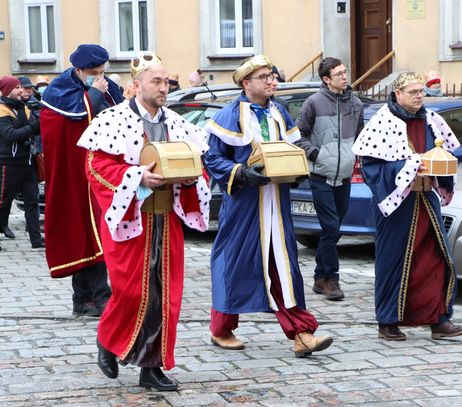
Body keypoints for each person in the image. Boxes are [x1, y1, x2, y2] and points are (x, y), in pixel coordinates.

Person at [77, 52, 210, 391]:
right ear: (136, 86)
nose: (164, 87)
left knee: (165, 295)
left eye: (166, 81)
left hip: (167, 218)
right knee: (131, 291)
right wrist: (136, 179)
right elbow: (96, 168)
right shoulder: (112, 120)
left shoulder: (177, 123)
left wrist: (190, 176)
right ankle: (108, 340)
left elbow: (198, 163)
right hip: (132, 218)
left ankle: (152, 368)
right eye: (157, 81)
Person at [203, 55, 333, 357]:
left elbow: (293, 147)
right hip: (244, 206)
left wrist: (297, 170)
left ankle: (302, 332)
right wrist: (241, 173)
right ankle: (221, 327)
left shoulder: (280, 112)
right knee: (233, 264)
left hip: (277, 204)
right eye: (264, 77)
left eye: (272, 75)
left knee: (283, 266)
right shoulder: (228, 116)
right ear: (246, 83)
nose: (272, 81)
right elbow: (212, 158)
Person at [352, 72, 462, 341]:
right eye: (413, 91)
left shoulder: (431, 120)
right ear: (398, 94)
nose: (419, 96)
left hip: (426, 198)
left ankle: (439, 318)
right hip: (396, 203)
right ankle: (388, 321)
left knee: (435, 257)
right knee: (393, 260)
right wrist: (410, 166)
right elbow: (372, 169)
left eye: (421, 91)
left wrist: (439, 166)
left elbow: (445, 154)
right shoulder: (382, 123)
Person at [40, 44, 123, 317]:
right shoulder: (59, 90)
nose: (99, 76)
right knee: (83, 231)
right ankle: (95, 297)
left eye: (101, 72)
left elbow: (118, 115)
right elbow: (75, 120)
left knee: (95, 232)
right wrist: (94, 94)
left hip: (101, 169)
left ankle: (88, 299)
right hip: (73, 172)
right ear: (78, 70)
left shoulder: (103, 84)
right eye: (92, 72)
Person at [295, 57, 364, 301]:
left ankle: (320, 277)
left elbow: (359, 136)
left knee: (333, 230)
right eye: (339, 74)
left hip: (344, 176)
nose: (345, 77)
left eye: (345, 72)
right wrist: (317, 154)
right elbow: (298, 135)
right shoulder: (314, 102)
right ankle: (331, 279)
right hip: (320, 175)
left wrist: (354, 157)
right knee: (331, 227)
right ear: (326, 79)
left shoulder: (355, 103)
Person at [0, 76, 44, 249]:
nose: (21, 90)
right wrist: (34, 126)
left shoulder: (24, 108)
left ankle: (36, 239)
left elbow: (34, 131)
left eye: (21, 87)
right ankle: (2, 226)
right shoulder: (2, 111)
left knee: (32, 202)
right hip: (7, 164)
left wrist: (43, 116)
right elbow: (11, 135)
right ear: (7, 90)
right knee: (3, 201)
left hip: (27, 163)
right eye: (17, 87)